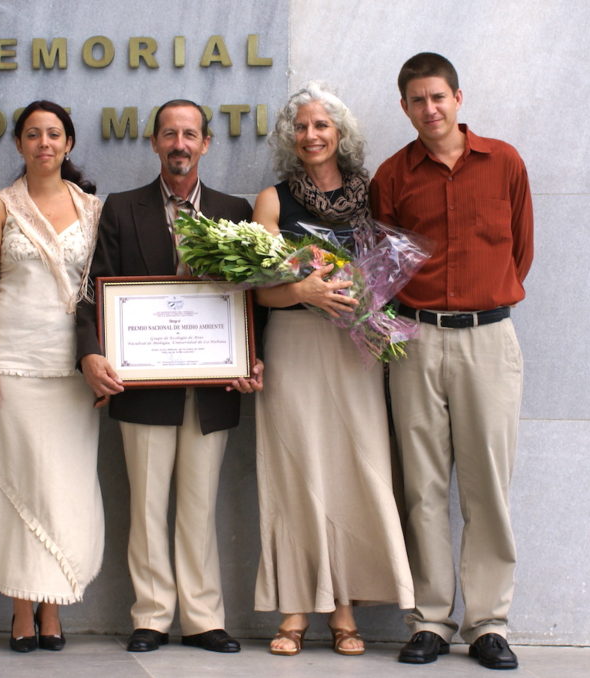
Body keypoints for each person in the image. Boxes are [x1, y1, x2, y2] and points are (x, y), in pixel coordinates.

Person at [75, 99, 262, 654]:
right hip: (141, 384)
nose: (180, 144)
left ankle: (203, 617)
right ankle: (152, 615)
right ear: (153, 143)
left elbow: (257, 300)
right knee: (147, 503)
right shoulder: (122, 208)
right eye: (169, 134)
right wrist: (90, 354)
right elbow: (95, 289)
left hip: (213, 387)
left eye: (190, 134)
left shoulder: (236, 210)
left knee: (200, 505)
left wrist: (254, 356)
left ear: (206, 143)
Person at [369, 53, 533, 671]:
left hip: (488, 340)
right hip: (415, 340)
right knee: (424, 485)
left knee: (487, 486)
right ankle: (432, 620)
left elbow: (521, 249)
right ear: (405, 107)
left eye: (438, 97)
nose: (429, 109)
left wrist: (481, 300)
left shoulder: (505, 163)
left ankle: (488, 622)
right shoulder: (392, 175)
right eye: (417, 100)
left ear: (458, 98)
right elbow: (383, 264)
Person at [249, 82, 414, 657]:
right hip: (293, 343)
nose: (312, 135)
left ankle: (344, 605)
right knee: (297, 469)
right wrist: (303, 289)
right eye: (301, 127)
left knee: (354, 466)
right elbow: (257, 295)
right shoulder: (271, 201)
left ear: (340, 134)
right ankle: (297, 604)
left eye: (322, 125)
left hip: (356, 348)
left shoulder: (373, 196)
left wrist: (368, 300)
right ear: (290, 138)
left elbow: (394, 270)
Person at [0, 100, 104, 653]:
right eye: (32, 134)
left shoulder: (95, 208)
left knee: (61, 490)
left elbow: (103, 292)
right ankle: (22, 610)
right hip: (14, 366)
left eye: (53, 134)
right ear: (20, 144)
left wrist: (101, 363)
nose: (43, 143)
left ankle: (55, 605)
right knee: (17, 485)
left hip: (72, 370)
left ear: (68, 143)